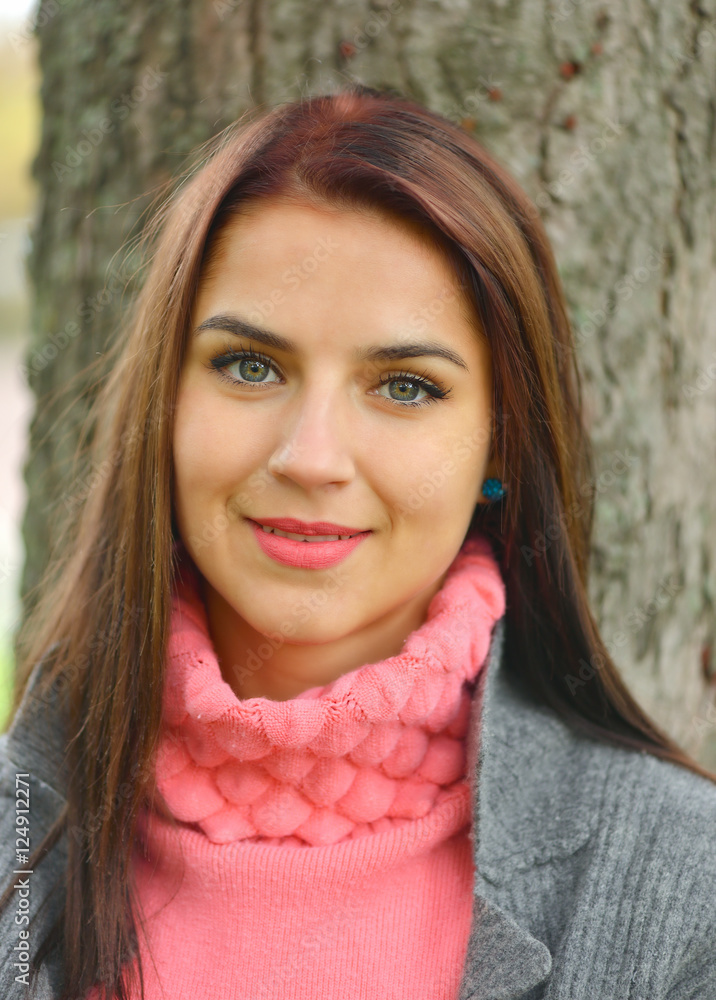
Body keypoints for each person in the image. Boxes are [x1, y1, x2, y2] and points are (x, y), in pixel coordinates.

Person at [1, 84, 715, 1000]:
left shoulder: (685, 890)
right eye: (249, 366)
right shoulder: (23, 843)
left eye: (405, 386)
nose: (311, 458)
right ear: (165, 403)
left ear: (502, 442)